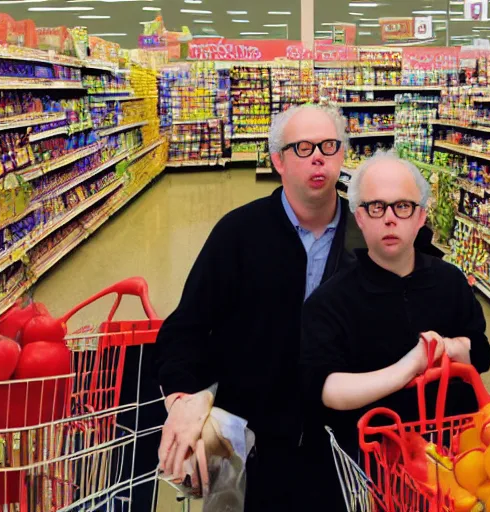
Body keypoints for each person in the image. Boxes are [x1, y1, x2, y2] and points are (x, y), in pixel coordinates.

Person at [153, 104, 435, 510]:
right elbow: (186, 329)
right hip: (254, 445)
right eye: (302, 147)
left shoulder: (372, 238)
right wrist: (181, 400)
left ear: (342, 156)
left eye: (328, 145)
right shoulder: (239, 234)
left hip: (348, 450)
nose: (317, 156)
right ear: (278, 160)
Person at [298, 151, 490, 509]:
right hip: (374, 467)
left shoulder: (450, 282)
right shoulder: (330, 301)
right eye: (376, 207)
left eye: (402, 206)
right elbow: (325, 388)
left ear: (420, 216)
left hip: (457, 460)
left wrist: (451, 348)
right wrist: (410, 366)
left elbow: (480, 352)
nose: (389, 219)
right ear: (359, 216)